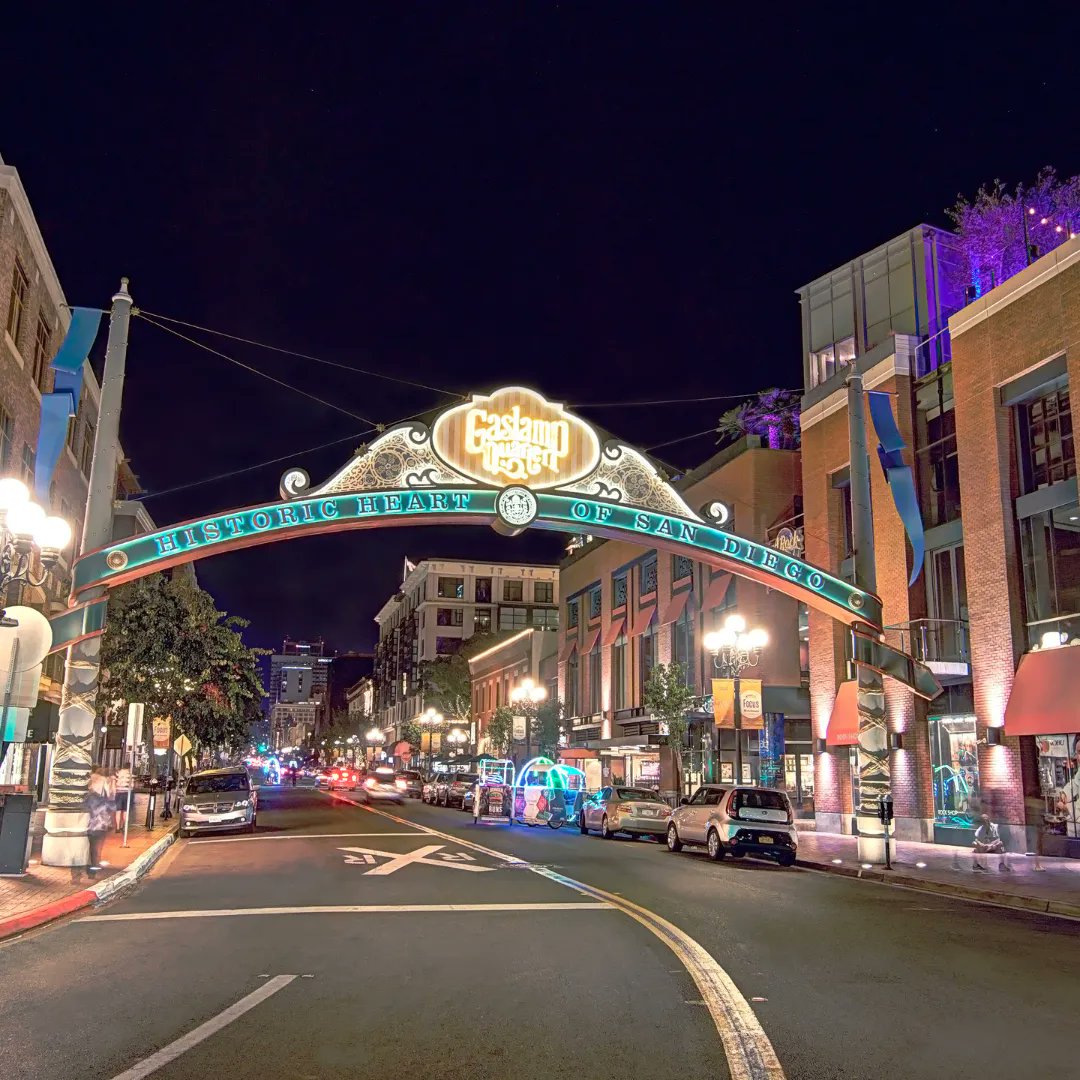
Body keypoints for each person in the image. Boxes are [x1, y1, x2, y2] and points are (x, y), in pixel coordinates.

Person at [86, 770, 115, 877]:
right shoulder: (104, 783)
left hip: (89, 824)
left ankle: (91, 867)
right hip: (100, 823)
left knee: (91, 847)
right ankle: (93, 867)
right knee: (97, 847)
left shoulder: (87, 797)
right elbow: (111, 802)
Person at [115, 762, 133, 832]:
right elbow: (132, 786)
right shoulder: (130, 774)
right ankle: (124, 826)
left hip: (119, 792)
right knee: (125, 811)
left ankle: (117, 827)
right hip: (127, 793)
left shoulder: (118, 773)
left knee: (118, 811)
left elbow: (116, 783)